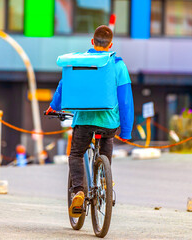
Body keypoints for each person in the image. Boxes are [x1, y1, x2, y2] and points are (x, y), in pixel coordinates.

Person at [46, 25, 134, 217]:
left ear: (92, 42)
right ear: (111, 44)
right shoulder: (118, 65)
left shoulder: (79, 61)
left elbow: (64, 86)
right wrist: (126, 131)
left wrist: (54, 106)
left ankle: (78, 191)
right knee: (107, 140)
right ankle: (104, 179)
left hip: (84, 121)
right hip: (109, 122)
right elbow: (125, 100)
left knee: (76, 154)